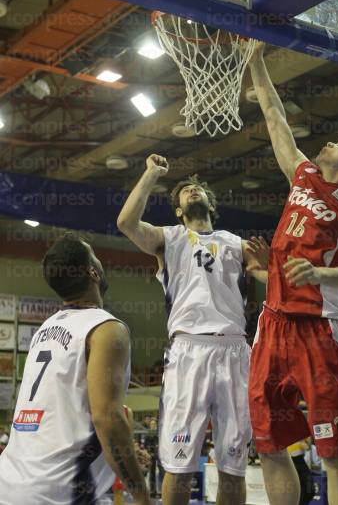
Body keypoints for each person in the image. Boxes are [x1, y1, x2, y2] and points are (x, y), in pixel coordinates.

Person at [248, 42, 338, 505]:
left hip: (318, 330)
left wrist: (320, 275)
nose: (328, 143)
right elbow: (274, 117)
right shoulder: (302, 174)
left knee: (335, 451)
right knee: (269, 444)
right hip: (272, 324)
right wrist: (256, 62)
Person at [117, 156, 269, 505]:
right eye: (184, 192)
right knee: (179, 465)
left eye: (196, 188)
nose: (192, 191)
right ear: (178, 211)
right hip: (188, 349)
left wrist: (271, 268)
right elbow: (126, 222)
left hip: (234, 350)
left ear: (210, 203)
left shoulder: (236, 243)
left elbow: (271, 280)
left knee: (234, 465)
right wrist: (152, 173)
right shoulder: (168, 238)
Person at [0, 234, 150, 505]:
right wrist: (141, 495)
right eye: (96, 257)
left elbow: (60, 416)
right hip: (57, 492)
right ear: (93, 271)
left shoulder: (43, 330)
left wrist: (113, 455)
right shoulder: (107, 329)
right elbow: (107, 419)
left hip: (9, 482)